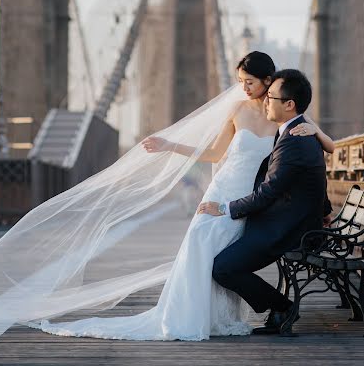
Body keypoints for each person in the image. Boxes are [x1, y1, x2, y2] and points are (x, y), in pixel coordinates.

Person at [31, 53, 333, 340]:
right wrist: (170, 145)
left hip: (247, 200)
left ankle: (224, 317)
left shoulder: (284, 118)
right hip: (224, 190)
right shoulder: (238, 110)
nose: (243, 88)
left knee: (222, 258)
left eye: (249, 82)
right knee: (199, 250)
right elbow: (215, 152)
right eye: (240, 81)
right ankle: (189, 316)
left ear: (268, 81)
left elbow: (322, 148)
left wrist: (316, 134)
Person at [199, 68, 332, 335]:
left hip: (287, 229)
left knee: (223, 268)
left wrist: (224, 208)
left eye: (270, 97)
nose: (265, 102)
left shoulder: (294, 141)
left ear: (290, 105)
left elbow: (268, 192)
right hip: (288, 220)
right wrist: (325, 209)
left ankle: (283, 306)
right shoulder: (297, 133)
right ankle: (280, 307)